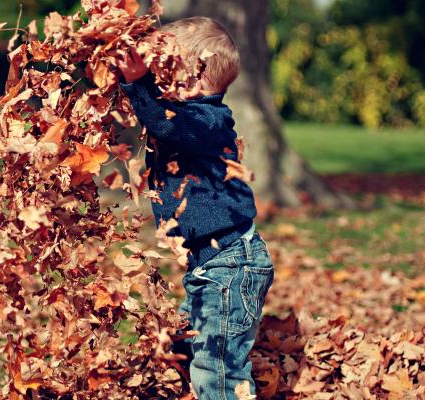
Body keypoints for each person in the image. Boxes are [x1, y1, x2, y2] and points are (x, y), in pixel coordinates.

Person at [116, 17, 275, 399]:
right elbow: (161, 114)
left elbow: (167, 124)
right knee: (184, 343)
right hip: (210, 267)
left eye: (166, 70)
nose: (158, 79)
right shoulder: (189, 117)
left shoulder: (208, 121)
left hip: (231, 267)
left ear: (196, 78)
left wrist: (137, 84)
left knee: (217, 367)